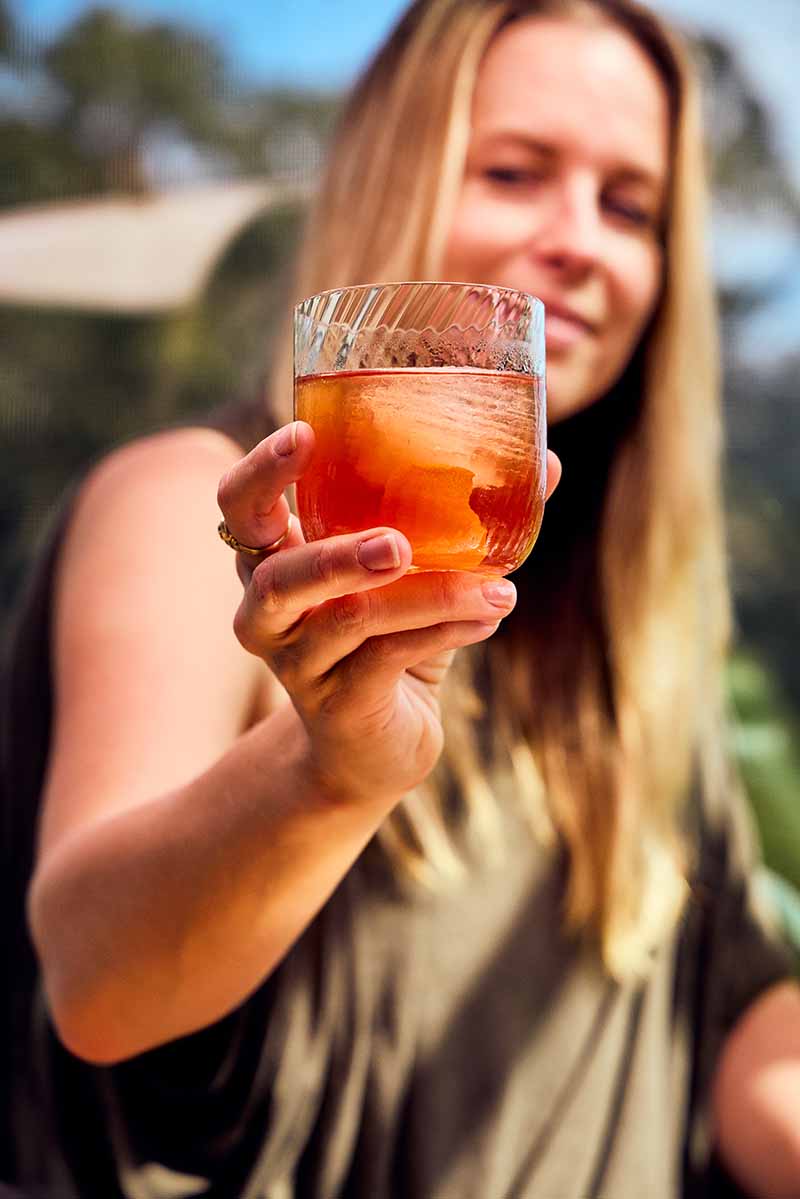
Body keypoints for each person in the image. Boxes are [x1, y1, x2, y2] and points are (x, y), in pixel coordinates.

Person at [3, 0, 800, 1195]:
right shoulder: (194, 507)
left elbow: (728, 1026)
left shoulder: (644, 621)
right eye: (514, 171)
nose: (578, 238)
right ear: (392, 180)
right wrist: (326, 769)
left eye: (628, 205)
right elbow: (98, 980)